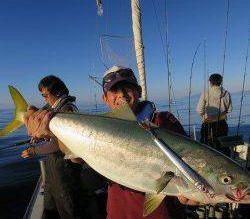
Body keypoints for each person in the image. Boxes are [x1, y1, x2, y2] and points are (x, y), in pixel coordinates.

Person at [23, 66, 200, 219]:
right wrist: (52, 132)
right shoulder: (97, 128)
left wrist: (187, 193)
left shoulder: (163, 121)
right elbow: (78, 158)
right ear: (105, 99)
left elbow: (188, 162)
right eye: (114, 91)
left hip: (163, 214)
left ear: (138, 91)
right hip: (117, 213)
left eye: (127, 88)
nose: (121, 95)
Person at [21, 75, 106, 219]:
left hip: (65, 171)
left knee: (68, 208)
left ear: (58, 92)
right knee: (51, 207)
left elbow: (60, 144)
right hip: (53, 171)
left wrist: (35, 150)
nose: (44, 99)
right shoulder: (52, 108)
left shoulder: (67, 110)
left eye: (46, 95)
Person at [196, 73, 232, 156]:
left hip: (208, 124)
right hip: (222, 124)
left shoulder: (206, 93)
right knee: (223, 146)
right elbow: (229, 110)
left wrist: (204, 114)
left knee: (206, 146)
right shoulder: (227, 93)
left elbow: (199, 110)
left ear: (210, 82)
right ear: (221, 82)